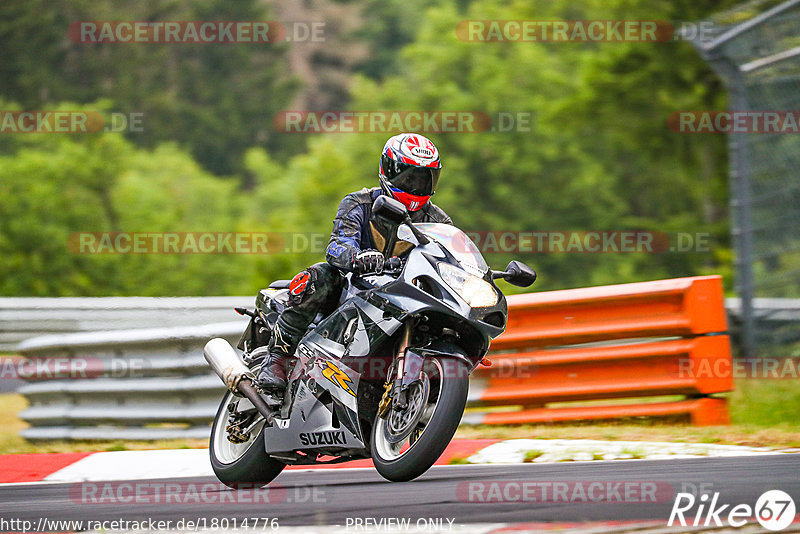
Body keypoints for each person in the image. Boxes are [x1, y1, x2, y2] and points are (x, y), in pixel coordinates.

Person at [257, 133, 452, 393]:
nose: (414, 185)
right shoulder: (358, 204)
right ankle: (277, 359)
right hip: (355, 289)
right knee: (321, 275)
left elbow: (449, 254)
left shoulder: (438, 221)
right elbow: (337, 245)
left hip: (404, 294)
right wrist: (357, 258)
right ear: (388, 170)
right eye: (408, 177)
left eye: (423, 178)